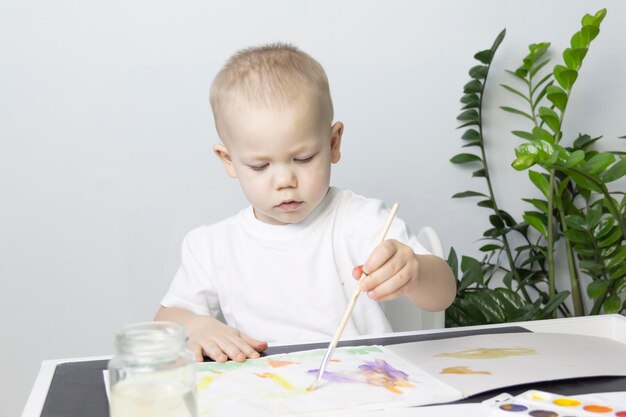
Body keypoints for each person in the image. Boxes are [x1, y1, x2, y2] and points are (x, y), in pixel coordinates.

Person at [155, 43, 456, 363]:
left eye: (303, 158)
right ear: (228, 161)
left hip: (367, 382)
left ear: (333, 143)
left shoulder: (362, 221)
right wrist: (194, 325)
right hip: (267, 392)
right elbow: (165, 320)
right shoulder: (213, 246)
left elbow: (442, 295)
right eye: (260, 166)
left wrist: (415, 272)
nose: (284, 181)